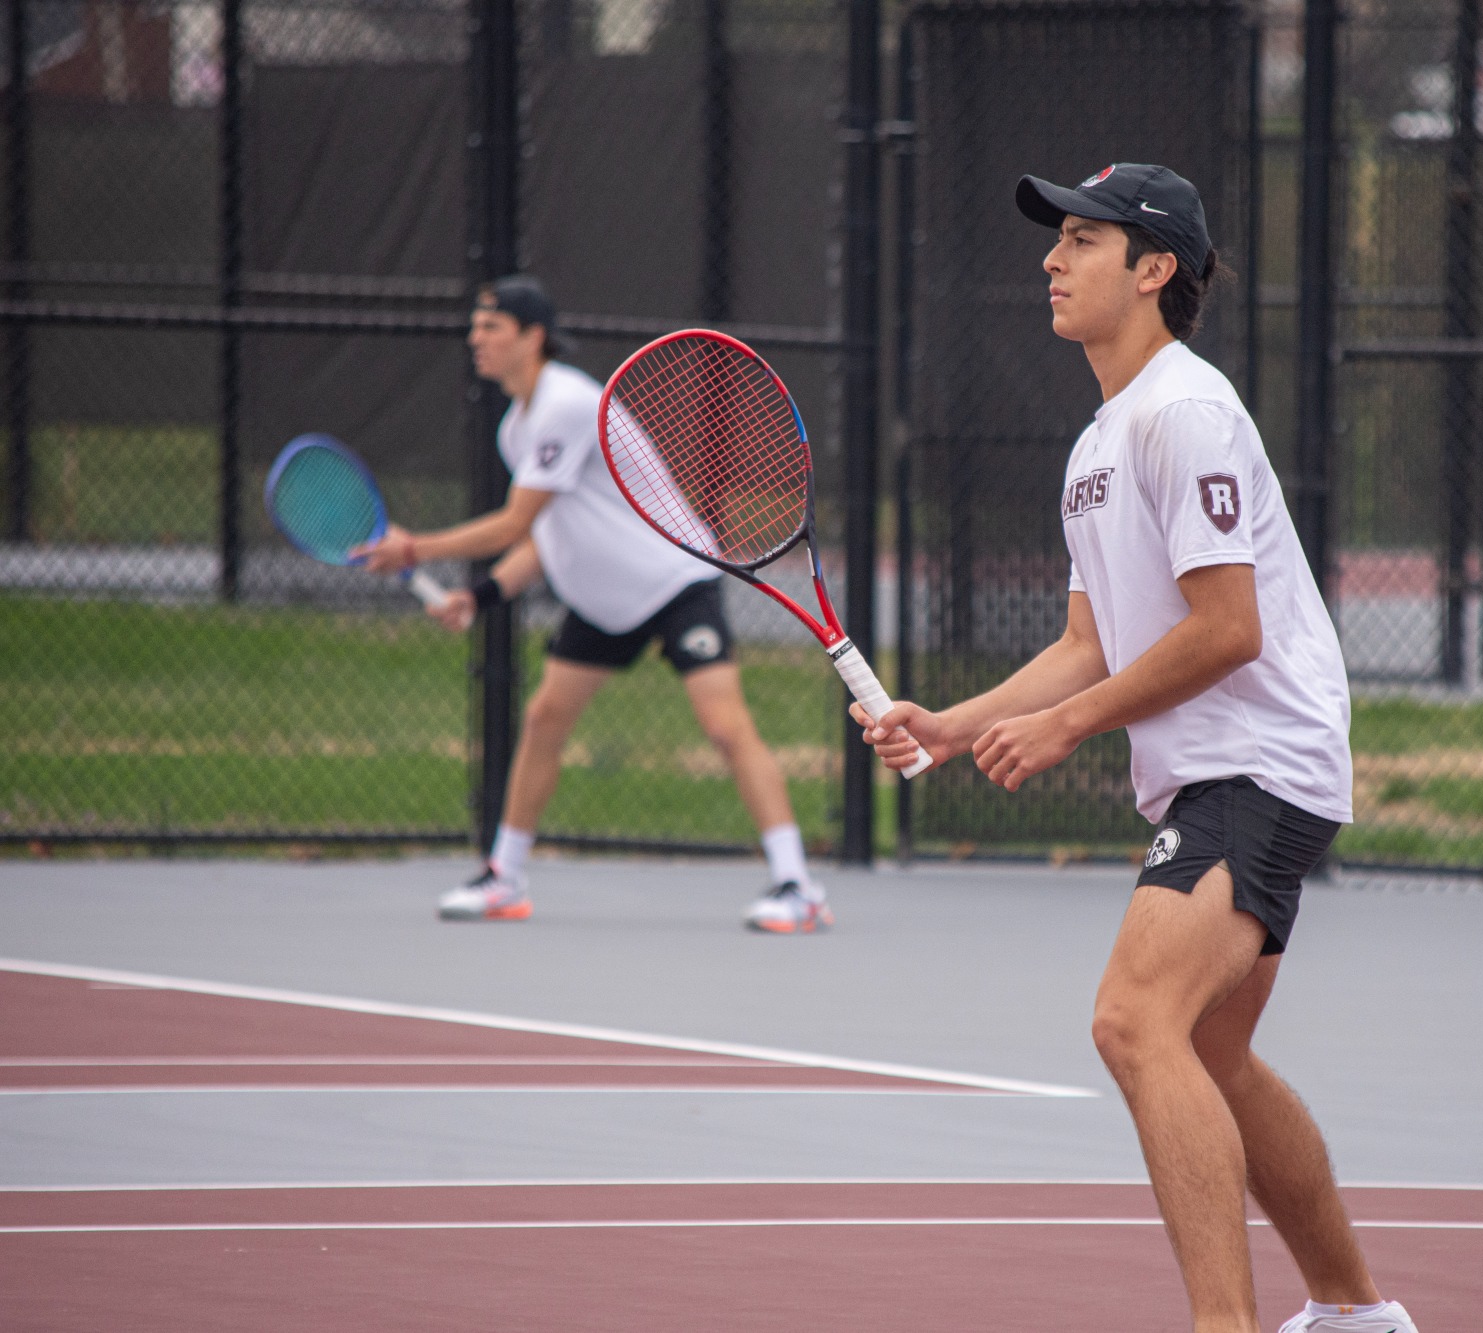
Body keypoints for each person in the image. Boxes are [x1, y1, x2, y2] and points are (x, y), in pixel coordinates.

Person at [850, 166, 1415, 1333]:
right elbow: (1086, 640)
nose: (1051, 262)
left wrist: (1066, 725)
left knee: (1130, 1022)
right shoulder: (1102, 439)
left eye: (1082, 241)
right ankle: (1358, 1317)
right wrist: (951, 723)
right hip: (1226, 764)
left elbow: (1226, 628)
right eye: (1055, 241)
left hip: (1253, 760)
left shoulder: (1183, 414)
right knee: (1212, 1053)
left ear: (1154, 270)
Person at [358, 275, 829, 934]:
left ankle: (797, 883)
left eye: (492, 327)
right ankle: (505, 876)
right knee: (545, 718)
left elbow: (511, 521)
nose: (477, 339)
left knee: (724, 726)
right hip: (602, 599)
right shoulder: (516, 428)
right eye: (476, 327)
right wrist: (481, 594)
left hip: (675, 580)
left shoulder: (567, 406)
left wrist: (416, 549)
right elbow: (547, 535)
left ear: (533, 336)